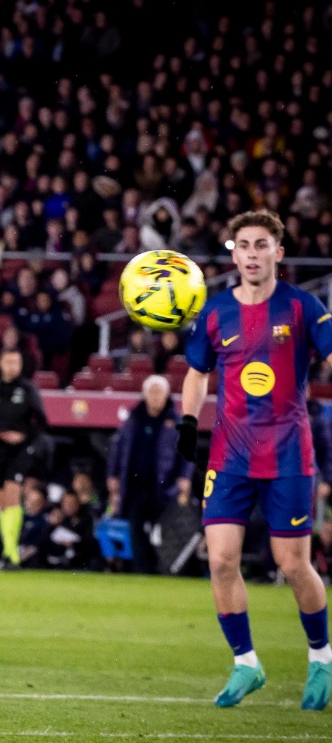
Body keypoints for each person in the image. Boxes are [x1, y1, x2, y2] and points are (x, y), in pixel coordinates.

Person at [178, 209, 332, 710]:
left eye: (261, 244)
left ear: (278, 253)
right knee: (221, 560)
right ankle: (246, 664)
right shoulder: (216, 312)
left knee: (293, 565)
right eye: (242, 244)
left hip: (289, 451)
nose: (251, 253)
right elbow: (197, 373)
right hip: (230, 453)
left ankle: (321, 658)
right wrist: (186, 421)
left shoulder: (304, 307)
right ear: (234, 252)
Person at [106, 375, 193, 574]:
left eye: (159, 393)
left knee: (162, 528)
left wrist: (184, 477)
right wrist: (113, 474)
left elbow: (186, 452)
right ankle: (141, 568)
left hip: (164, 485)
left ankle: (162, 566)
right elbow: (118, 449)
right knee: (135, 527)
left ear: (166, 395)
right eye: (152, 392)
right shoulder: (133, 419)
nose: (155, 397)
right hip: (136, 484)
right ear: (145, 395)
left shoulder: (176, 421)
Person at [0, 347, 47, 568]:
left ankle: (12, 555)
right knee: (2, 501)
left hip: (19, 451)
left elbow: (42, 420)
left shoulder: (28, 389)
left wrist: (25, 438)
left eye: (16, 362)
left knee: (12, 496)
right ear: (0, 363)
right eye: (8, 362)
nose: (12, 367)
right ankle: (8, 554)